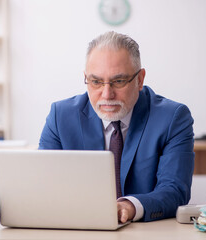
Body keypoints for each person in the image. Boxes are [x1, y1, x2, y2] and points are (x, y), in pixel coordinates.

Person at [39, 31, 194, 222]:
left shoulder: (173, 118)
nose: (106, 94)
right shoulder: (60, 116)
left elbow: (175, 190)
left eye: (118, 81)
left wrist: (130, 206)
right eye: (96, 82)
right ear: (86, 78)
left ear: (140, 79)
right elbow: (44, 187)